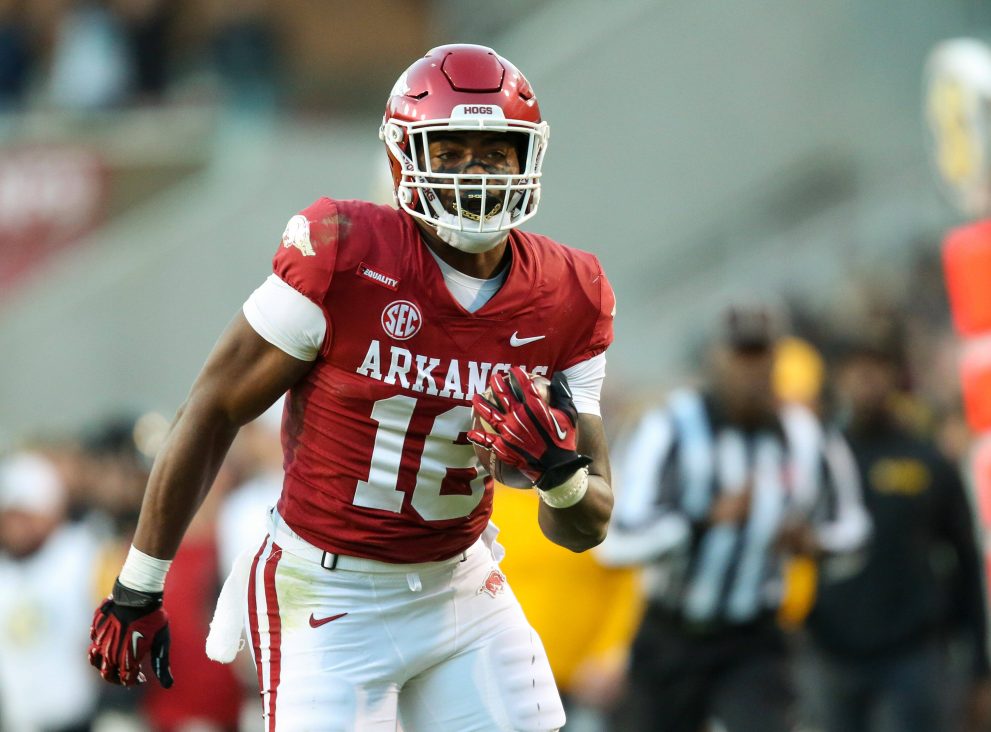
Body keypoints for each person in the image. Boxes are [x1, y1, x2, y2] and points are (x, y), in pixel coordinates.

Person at [87, 43, 616, 732]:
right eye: (450, 152)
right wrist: (139, 584)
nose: (473, 175)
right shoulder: (345, 253)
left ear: (526, 159)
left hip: (459, 583)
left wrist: (557, 473)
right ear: (404, 157)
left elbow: (587, 525)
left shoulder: (566, 293)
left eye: (493, 152)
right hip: (325, 591)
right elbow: (214, 407)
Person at [599, 303, 869, 732]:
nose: (752, 371)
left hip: (754, 636)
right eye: (741, 356)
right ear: (716, 359)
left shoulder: (805, 435)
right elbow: (616, 543)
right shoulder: (668, 427)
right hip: (673, 632)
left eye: (761, 357)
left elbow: (853, 530)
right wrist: (701, 522)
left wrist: (812, 543)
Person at [803, 327, 991, 732]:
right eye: (853, 369)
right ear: (837, 378)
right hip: (833, 656)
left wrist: (979, 667)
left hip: (914, 654)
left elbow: (965, 560)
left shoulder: (925, 460)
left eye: (875, 367)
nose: (864, 380)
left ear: (895, 375)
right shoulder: (815, 464)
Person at [0, 451, 103, 732]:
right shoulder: (5, 570)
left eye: (25, 515)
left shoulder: (83, 554)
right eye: (9, 515)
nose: (15, 526)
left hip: (81, 718)